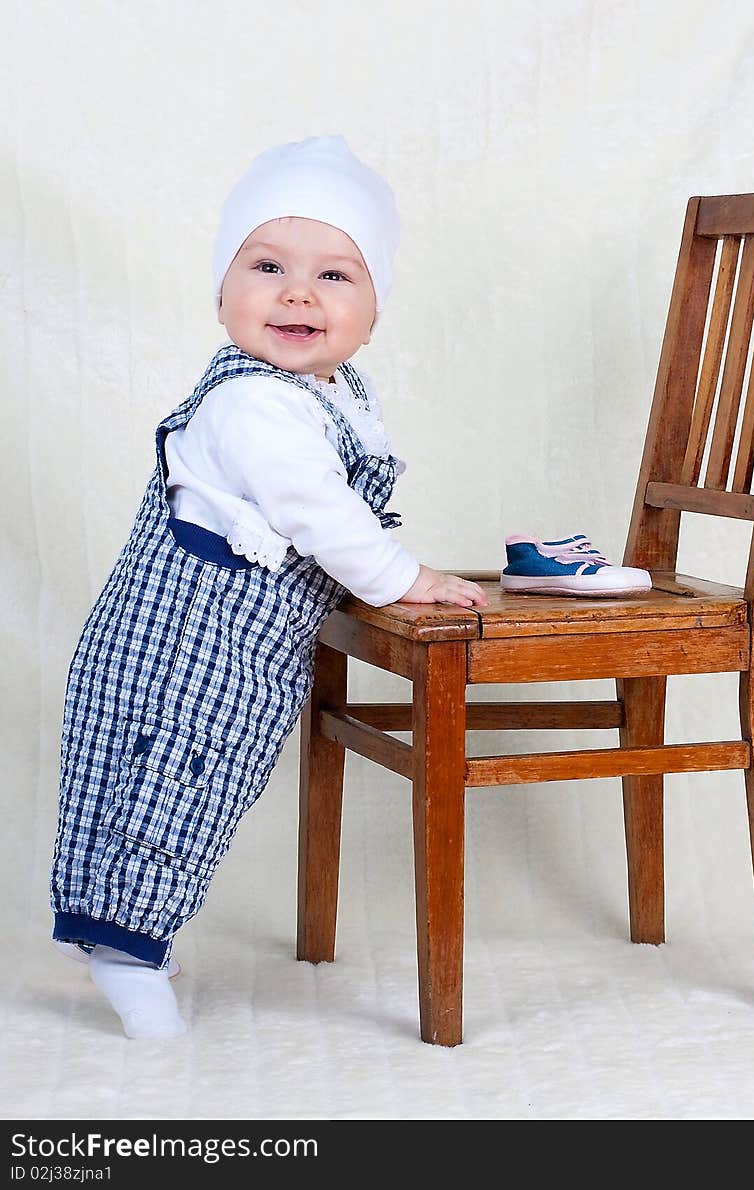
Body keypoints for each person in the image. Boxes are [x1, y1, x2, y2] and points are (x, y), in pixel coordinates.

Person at [50, 135, 488, 1040]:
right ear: (221, 291)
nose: (297, 292)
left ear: (373, 309)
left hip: (241, 649)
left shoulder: (328, 392)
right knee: (169, 786)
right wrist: (407, 578)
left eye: (335, 276)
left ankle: (134, 935)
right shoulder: (253, 403)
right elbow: (316, 509)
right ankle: (125, 953)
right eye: (266, 265)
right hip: (181, 650)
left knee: (200, 793)